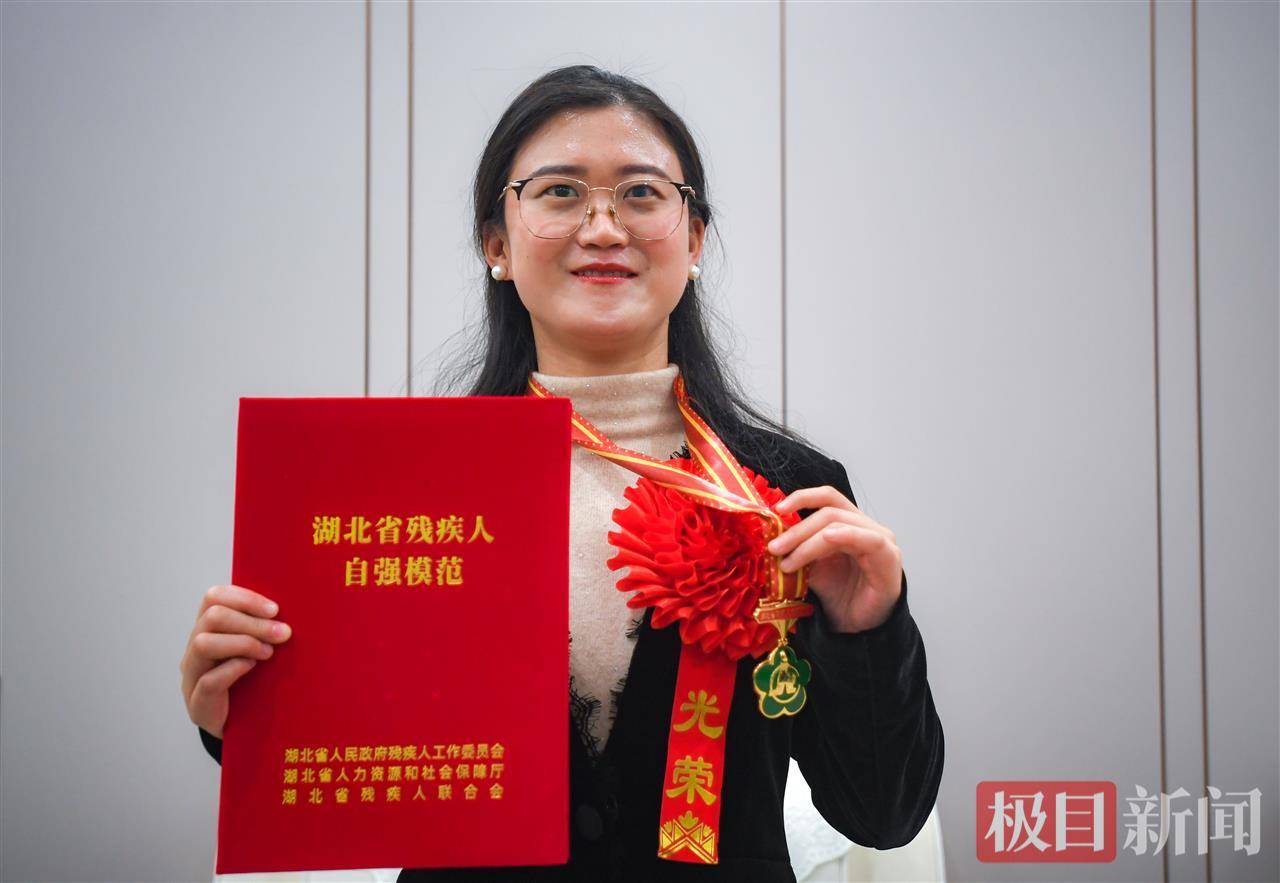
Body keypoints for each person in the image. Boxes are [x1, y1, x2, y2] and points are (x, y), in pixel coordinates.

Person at [180, 65, 944, 883]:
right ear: (497, 245)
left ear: (693, 239)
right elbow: (359, 765)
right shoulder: (403, 484)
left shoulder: (788, 494)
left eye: (642, 193)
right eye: (559, 192)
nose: (604, 226)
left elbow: (883, 811)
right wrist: (244, 717)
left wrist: (868, 632)